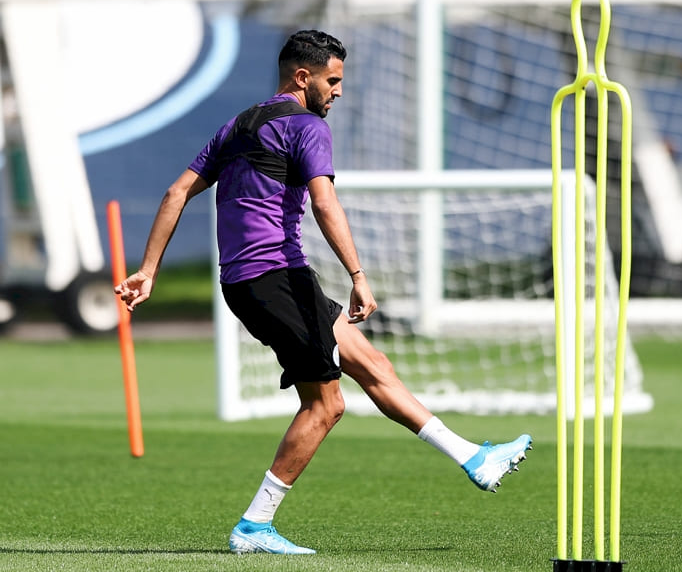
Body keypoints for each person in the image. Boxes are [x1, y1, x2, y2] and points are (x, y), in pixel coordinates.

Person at [114, 29, 532, 555]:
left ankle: (473, 457)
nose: (338, 91)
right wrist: (358, 275)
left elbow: (177, 190)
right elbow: (325, 204)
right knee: (326, 406)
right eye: (332, 81)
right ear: (302, 77)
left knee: (372, 363)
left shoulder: (239, 124)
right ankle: (253, 526)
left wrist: (148, 270)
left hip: (254, 281)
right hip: (276, 278)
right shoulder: (307, 126)